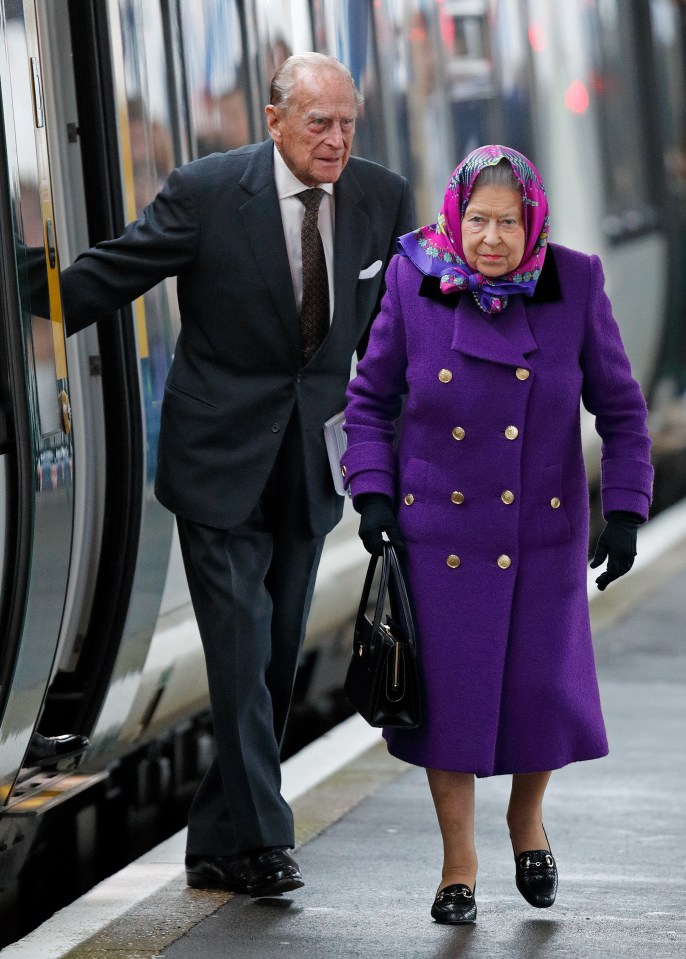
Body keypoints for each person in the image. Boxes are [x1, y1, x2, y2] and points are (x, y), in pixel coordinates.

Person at [59, 53, 414, 897]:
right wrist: (26, 296)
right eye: (320, 123)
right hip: (216, 462)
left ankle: (218, 840)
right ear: (274, 119)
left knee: (276, 651)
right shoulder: (210, 190)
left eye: (347, 123)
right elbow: (110, 275)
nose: (336, 140)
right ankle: (264, 838)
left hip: (308, 465)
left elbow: (394, 340)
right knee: (240, 640)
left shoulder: (381, 197)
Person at [341, 145, 652, 924]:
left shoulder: (574, 281)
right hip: (438, 532)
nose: (490, 239)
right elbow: (370, 400)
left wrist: (625, 509)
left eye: (508, 223)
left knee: (537, 695)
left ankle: (526, 819)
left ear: (532, 223)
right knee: (448, 706)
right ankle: (458, 865)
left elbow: (621, 408)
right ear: (456, 217)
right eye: (477, 220)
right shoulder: (414, 279)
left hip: (543, 534)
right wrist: (372, 492)